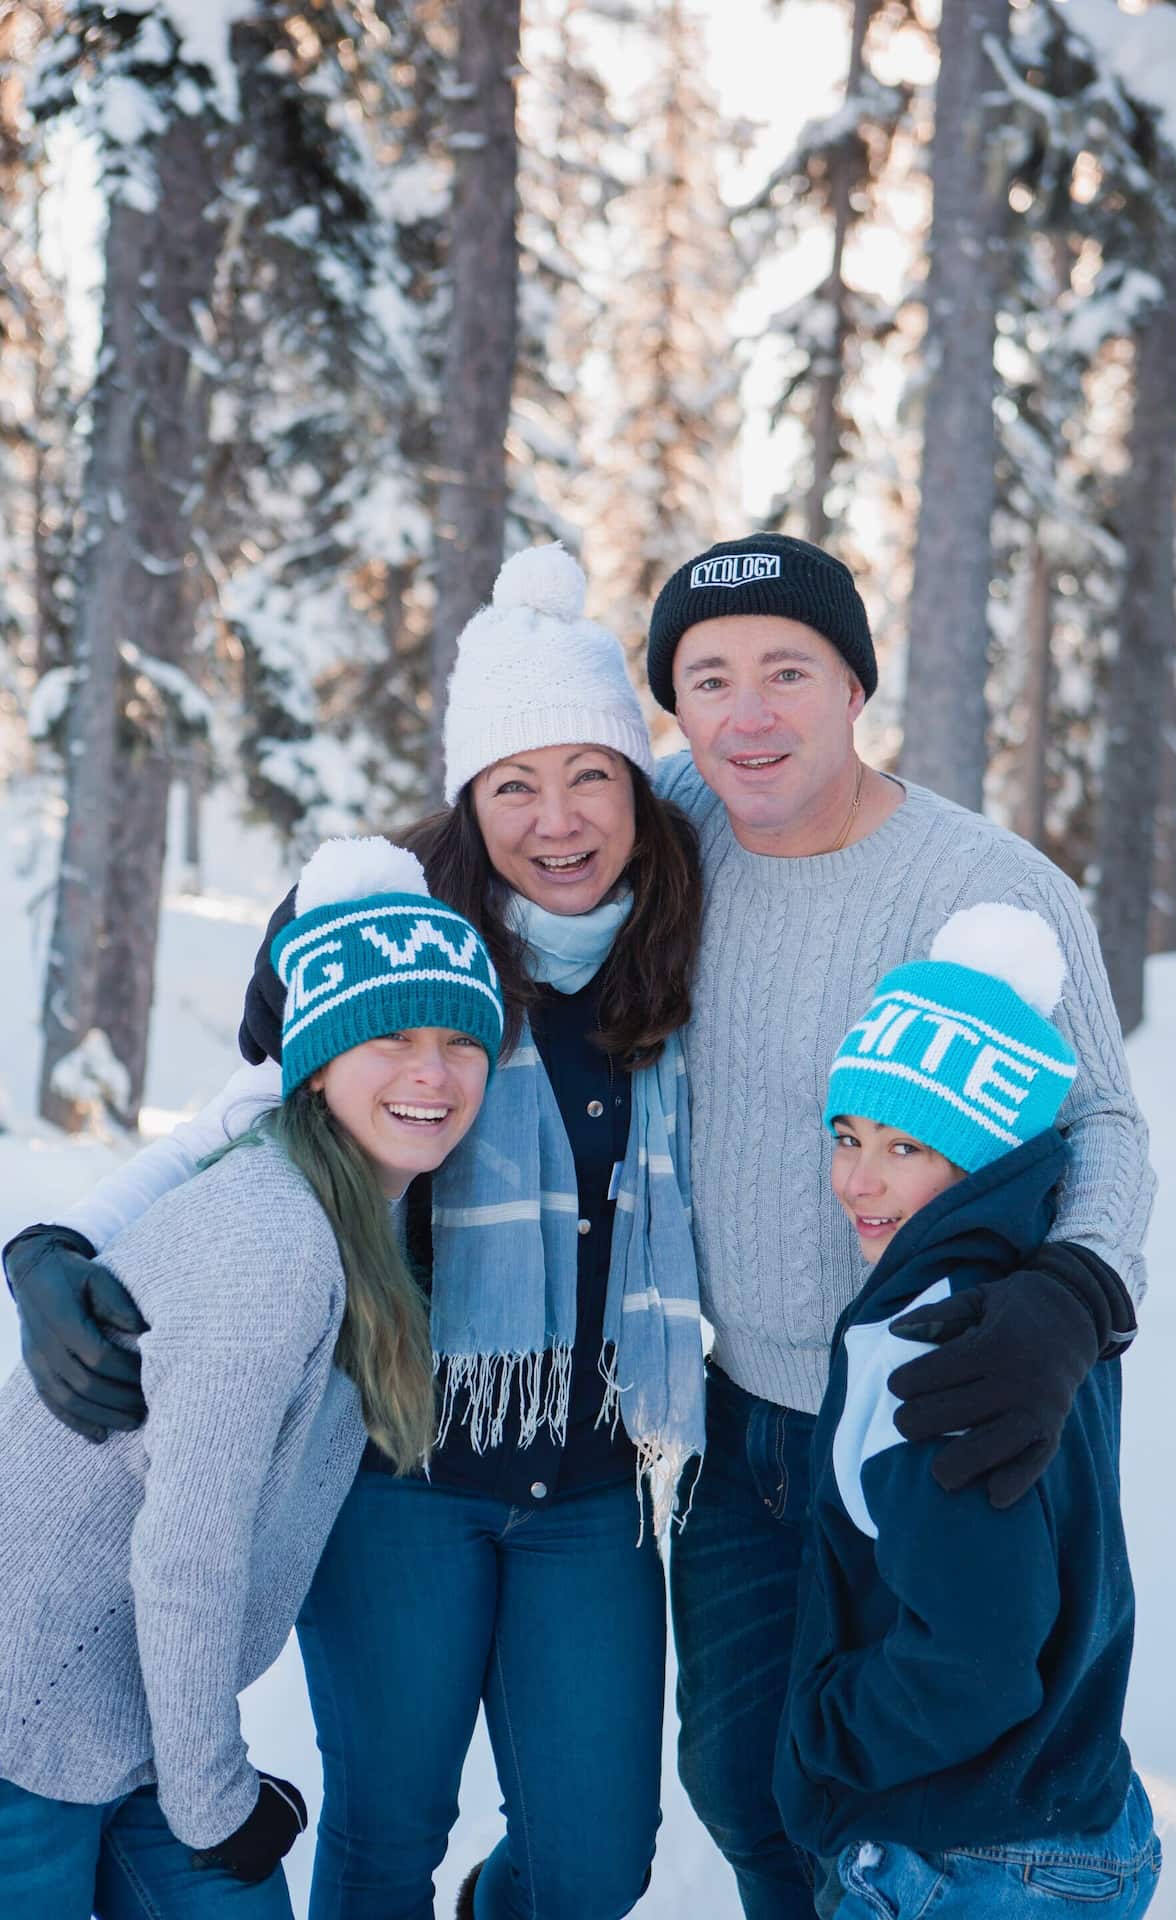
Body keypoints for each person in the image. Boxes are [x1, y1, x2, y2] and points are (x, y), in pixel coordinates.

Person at [3, 543, 702, 1920]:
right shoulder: (392, 944)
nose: (557, 819)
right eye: (515, 784)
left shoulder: (679, 945)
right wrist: (53, 1248)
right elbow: (247, 1126)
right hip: (402, 1468)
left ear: (637, 785)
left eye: (591, 776)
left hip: (594, 1481)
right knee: (384, 1834)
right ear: (469, 797)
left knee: (594, 1855)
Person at [641, 533, 1153, 1918]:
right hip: (744, 1426)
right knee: (749, 1791)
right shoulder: (670, 821)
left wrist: (1073, 1296)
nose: (750, 713)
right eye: (710, 677)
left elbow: (1106, 1124)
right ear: (675, 706)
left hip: (936, 1420)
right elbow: (500, 837)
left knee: (926, 1802)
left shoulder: (982, 884)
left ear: (855, 683)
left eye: (788, 670)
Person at [0, 836, 501, 1920]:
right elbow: (188, 1554)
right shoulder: (273, 1240)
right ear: (313, 1061)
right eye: (391, 1036)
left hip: (139, 1716)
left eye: (462, 1039)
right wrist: (217, 1801)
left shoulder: (368, 1204)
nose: (432, 1070)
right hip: (20, 1722)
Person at [773, 901, 1161, 1920]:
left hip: (967, 1862)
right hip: (1067, 1815)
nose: (858, 1178)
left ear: (984, 1162)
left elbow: (974, 1659)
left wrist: (826, 1730)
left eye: (905, 1148)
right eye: (847, 1135)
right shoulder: (1030, 1305)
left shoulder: (943, 1353)